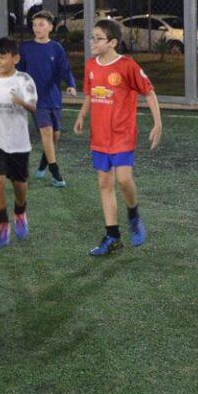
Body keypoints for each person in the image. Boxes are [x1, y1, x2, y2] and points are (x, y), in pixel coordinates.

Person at [74, 18, 163, 257]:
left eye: (98, 38)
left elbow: (149, 92)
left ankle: (133, 214)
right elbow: (91, 94)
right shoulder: (91, 66)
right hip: (99, 136)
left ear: (112, 42)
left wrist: (158, 123)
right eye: (91, 37)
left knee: (123, 179)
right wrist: (82, 114)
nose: (92, 41)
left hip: (122, 134)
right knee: (104, 183)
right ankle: (112, 236)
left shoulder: (127, 65)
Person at [0, 38, 38, 248]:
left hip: (18, 141)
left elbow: (33, 107)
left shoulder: (24, 80)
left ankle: (20, 212)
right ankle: (3, 223)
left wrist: (20, 102)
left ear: (15, 58)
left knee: (20, 185)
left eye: (2, 57)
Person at [18, 10, 77, 187]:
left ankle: (44, 162)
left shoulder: (56, 48)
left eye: (41, 24)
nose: (37, 28)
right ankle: (55, 172)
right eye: (35, 25)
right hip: (35, 100)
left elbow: (64, 70)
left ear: (51, 27)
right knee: (46, 132)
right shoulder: (26, 48)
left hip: (54, 97)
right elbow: (19, 73)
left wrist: (71, 84)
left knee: (55, 135)